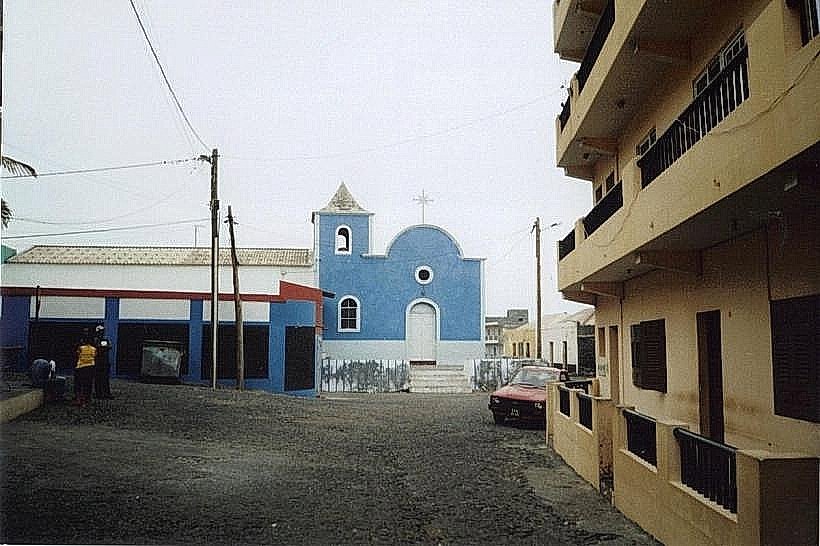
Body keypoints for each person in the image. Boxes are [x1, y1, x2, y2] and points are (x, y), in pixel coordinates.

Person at [73, 337, 96, 407]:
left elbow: (76, 355)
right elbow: (95, 356)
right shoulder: (93, 348)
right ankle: (87, 401)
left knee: (78, 384)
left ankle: (79, 400)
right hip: (90, 367)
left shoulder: (80, 348)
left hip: (81, 367)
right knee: (88, 384)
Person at [92, 324, 113, 399]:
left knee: (105, 378)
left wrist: (103, 348)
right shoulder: (95, 340)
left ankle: (106, 393)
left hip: (105, 362)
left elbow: (109, 347)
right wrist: (103, 348)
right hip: (98, 362)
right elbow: (97, 348)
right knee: (98, 378)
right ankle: (99, 393)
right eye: (101, 331)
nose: (102, 333)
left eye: (103, 331)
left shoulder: (105, 340)